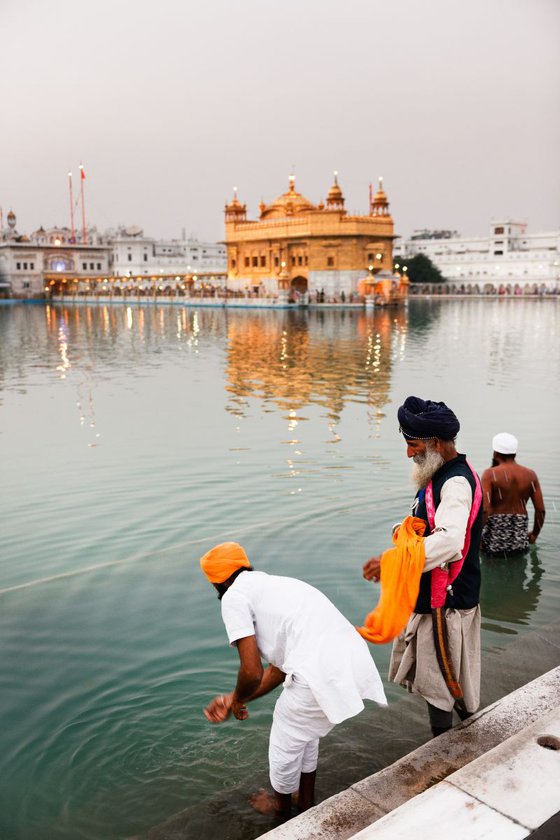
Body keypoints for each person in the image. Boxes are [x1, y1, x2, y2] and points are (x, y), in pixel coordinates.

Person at [200, 542, 386, 819]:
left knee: (284, 741)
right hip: (349, 662)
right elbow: (278, 669)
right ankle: (306, 801)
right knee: (306, 735)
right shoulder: (277, 586)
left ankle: (282, 810)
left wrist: (237, 699)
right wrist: (235, 698)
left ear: (219, 581)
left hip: (319, 673)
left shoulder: (233, 597)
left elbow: (251, 672)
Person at [363, 396, 483, 738]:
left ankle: (444, 747)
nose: (409, 453)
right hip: (436, 595)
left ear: (436, 443)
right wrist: (404, 532)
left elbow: (449, 542)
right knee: (442, 677)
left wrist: (393, 561)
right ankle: (459, 735)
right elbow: (428, 525)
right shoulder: (439, 475)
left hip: (448, 600)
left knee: (442, 680)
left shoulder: (456, 482)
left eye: (413, 445)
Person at [481, 432, 545, 555]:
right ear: (514, 453)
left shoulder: (490, 474)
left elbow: (485, 509)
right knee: (519, 571)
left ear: (495, 453)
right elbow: (540, 510)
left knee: (493, 570)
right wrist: (534, 535)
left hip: (495, 531)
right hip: (519, 532)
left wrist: (478, 537)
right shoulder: (530, 474)